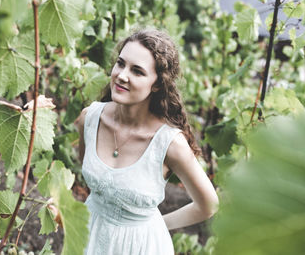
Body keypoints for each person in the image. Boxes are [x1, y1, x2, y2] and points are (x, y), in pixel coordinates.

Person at [74, 29, 219, 255]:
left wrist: (159, 224)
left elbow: (209, 205)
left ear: (157, 84)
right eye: (120, 64)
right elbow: (91, 177)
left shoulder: (169, 144)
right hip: (89, 237)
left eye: (137, 71)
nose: (122, 75)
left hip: (141, 247)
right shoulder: (89, 119)